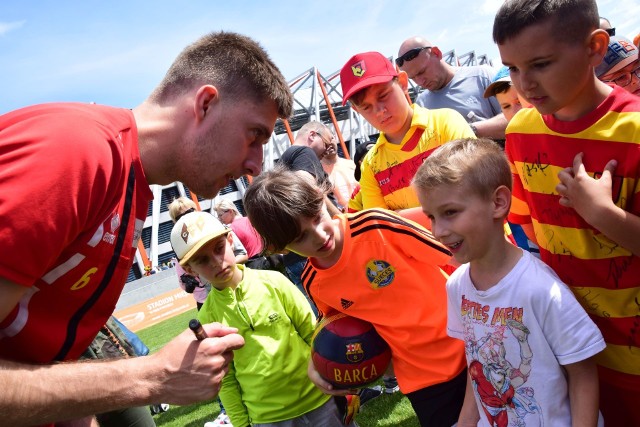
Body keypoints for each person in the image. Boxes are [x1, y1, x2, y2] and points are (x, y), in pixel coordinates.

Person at [0, 31, 292, 426]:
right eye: (254, 135)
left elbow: (42, 348)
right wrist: (150, 376)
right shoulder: (76, 152)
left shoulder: (129, 185)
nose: (256, 164)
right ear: (205, 104)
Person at [493, 0, 640, 424]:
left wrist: (602, 214)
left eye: (540, 64)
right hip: (568, 345)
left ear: (595, 47)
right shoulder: (520, 131)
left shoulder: (632, 130)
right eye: (513, 69)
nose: (525, 84)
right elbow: (526, 229)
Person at [243, 166, 468, 427]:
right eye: (300, 237)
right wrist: (316, 366)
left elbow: (458, 258)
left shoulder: (376, 226)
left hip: (470, 347)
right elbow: (333, 331)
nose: (319, 235)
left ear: (320, 198)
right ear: (280, 248)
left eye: (316, 217)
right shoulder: (314, 282)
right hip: (423, 381)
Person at [413, 137, 606, 426]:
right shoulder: (457, 287)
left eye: (450, 212)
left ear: (498, 203)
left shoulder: (540, 289)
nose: (438, 230)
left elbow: (583, 373)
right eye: (431, 217)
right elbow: (474, 364)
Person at [169, 210, 354, 427]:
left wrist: (336, 382)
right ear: (189, 269)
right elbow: (227, 380)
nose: (216, 263)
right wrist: (241, 424)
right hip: (267, 419)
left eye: (219, 249)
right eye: (202, 260)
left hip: (319, 400)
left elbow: (313, 335)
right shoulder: (207, 317)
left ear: (230, 240)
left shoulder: (274, 282)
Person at [340, 51, 474, 214]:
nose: (379, 111)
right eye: (366, 107)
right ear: (356, 110)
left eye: (383, 95)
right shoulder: (371, 165)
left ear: (403, 83)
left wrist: (399, 217)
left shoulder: (445, 123)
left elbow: (473, 194)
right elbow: (382, 227)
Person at [396, 36, 508, 139]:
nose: (420, 82)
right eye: (413, 78)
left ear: (436, 53)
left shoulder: (482, 76)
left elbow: (517, 118)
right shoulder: (422, 104)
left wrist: (464, 131)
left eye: (422, 72)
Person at [169, 196, 248, 312]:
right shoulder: (180, 249)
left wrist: (225, 267)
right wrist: (188, 281)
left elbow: (243, 253)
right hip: (207, 301)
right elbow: (184, 282)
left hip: (238, 287)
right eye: (180, 217)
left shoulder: (218, 228)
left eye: (190, 212)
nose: (215, 261)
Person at [321, 136, 359, 209]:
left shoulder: (352, 164)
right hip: (341, 217)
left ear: (335, 139)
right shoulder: (317, 174)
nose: (329, 143)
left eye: (331, 138)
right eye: (323, 141)